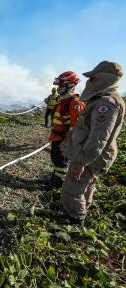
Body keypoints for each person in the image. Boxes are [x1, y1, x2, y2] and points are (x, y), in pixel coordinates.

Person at [60, 61, 125, 225]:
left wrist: (81, 162)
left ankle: (75, 221)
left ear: (103, 78)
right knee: (87, 184)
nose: (90, 81)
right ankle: (83, 209)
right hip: (95, 155)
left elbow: (99, 138)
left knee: (72, 189)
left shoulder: (106, 103)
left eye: (94, 78)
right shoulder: (108, 98)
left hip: (91, 155)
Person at [49, 71, 85, 188]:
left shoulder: (75, 103)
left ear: (71, 86)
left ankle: (58, 186)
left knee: (61, 162)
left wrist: (69, 141)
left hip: (64, 139)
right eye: (58, 85)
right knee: (56, 159)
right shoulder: (63, 100)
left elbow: (77, 125)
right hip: (57, 136)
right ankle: (55, 178)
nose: (58, 88)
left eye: (62, 85)